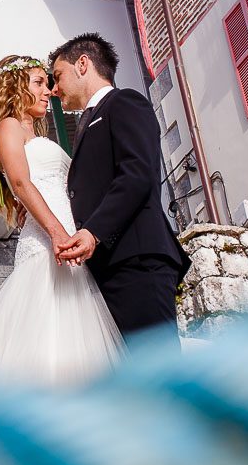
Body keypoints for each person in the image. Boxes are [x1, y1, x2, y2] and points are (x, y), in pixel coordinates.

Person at [0, 53, 125, 386]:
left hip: (71, 243)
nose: (48, 91)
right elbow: (22, 184)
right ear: (15, 86)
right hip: (49, 245)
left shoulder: (36, 134)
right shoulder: (7, 127)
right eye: (38, 82)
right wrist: (57, 233)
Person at [49, 33, 187, 339]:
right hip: (109, 268)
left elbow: (137, 174)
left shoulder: (125, 102)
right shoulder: (87, 122)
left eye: (57, 77)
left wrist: (93, 231)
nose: (55, 89)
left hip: (136, 262)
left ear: (82, 64)